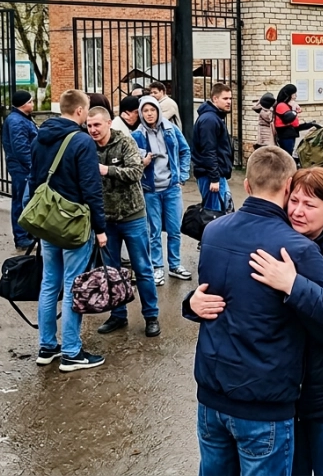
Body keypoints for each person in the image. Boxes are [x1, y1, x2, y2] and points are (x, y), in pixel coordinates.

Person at [188, 167, 323, 476]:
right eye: (295, 200)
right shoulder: (279, 237)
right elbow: (239, 293)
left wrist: (294, 284)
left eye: (310, 205)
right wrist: (193, 302)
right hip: (285, 395)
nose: (298, 212)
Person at [29, 89, 108, 373]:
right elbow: (91, 188)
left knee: (50, 283)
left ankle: (47, 346)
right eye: (86, 111)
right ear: (79, 111)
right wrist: (100, 228)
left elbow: (34, 177)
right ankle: (72, 352)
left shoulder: (40, 136)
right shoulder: (82, 141)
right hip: (74, 224)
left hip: (48, 221)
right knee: (74, 283)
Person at [86, 107, 160, 337]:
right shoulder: (87, 147)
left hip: (132, 215)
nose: (93, 130)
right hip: (106, 219)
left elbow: (135, 172)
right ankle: (118, 315)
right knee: (112, 271)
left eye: (97, 125)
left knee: (143, 269)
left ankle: (151, 316)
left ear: (109, 123)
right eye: (89, 126)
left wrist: (107, 170)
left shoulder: (125, 143)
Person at [132, 96, 192, 284]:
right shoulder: (137, 135)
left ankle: (174, 265)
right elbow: (132, 162)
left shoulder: (171, 129)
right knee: (154, 231)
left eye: (152, 110)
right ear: (141, 113)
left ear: (158, 111)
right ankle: (157, 267)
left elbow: (185, 151)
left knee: (174, 229)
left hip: (171, 188)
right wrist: (143, 162)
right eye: (145, 111)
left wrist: (181, 176)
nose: (149, 114)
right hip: (150, 190)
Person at [1, 90, 38, 252]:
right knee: (21, 202)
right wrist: (33, 167)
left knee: (26, 201)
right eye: (31, 101)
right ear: (25, 104)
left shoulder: (22, 118)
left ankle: (27, 234)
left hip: (23, 168)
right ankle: (21, 237)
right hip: (22, 170)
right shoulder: (17, 121)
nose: (33, 104)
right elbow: (21, 148)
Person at [193, 83, 235, 206]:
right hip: (210, 176)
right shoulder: (209, 120)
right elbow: (208, 150)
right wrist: (214, 178)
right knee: (214, 214)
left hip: (216, 174)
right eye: (225, 98)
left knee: (222, 211)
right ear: (215, 99)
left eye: (230, 98)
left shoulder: (215, 117)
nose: (229, 102)